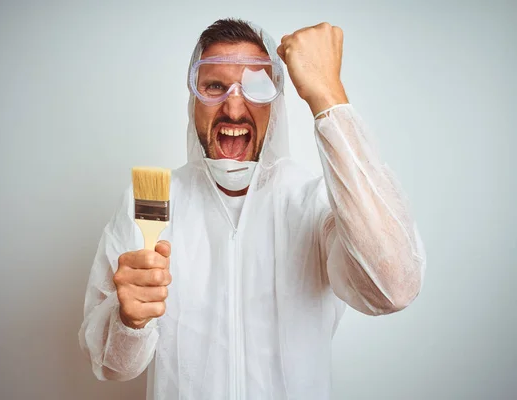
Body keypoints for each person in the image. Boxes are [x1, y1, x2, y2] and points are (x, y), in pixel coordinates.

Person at [78, 18, 426, 400]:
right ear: (194, 99)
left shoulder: (315, 204)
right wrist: (131, 321)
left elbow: (392, 289)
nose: (233, 105)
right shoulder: (152, 203)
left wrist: (328, 95)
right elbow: (110, 366)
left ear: (275, 104)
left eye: (256, 88)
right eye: (214, 86)